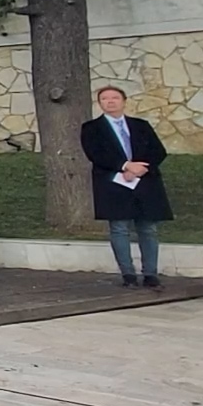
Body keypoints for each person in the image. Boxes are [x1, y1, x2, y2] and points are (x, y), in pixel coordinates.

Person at [80, 86, 173, 288]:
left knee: (148, 228)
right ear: (100, 103)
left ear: (124, 101)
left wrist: (139, 169)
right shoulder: (91, 128)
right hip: (113, 182)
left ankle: (150, 274)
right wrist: (124, 166)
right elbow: (95, 153)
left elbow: (158, 151)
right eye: (105, 98)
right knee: (119, 228)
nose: (110, 101)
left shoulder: (141, 125)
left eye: (114, 98)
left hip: (145, 181)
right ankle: (128, 274)